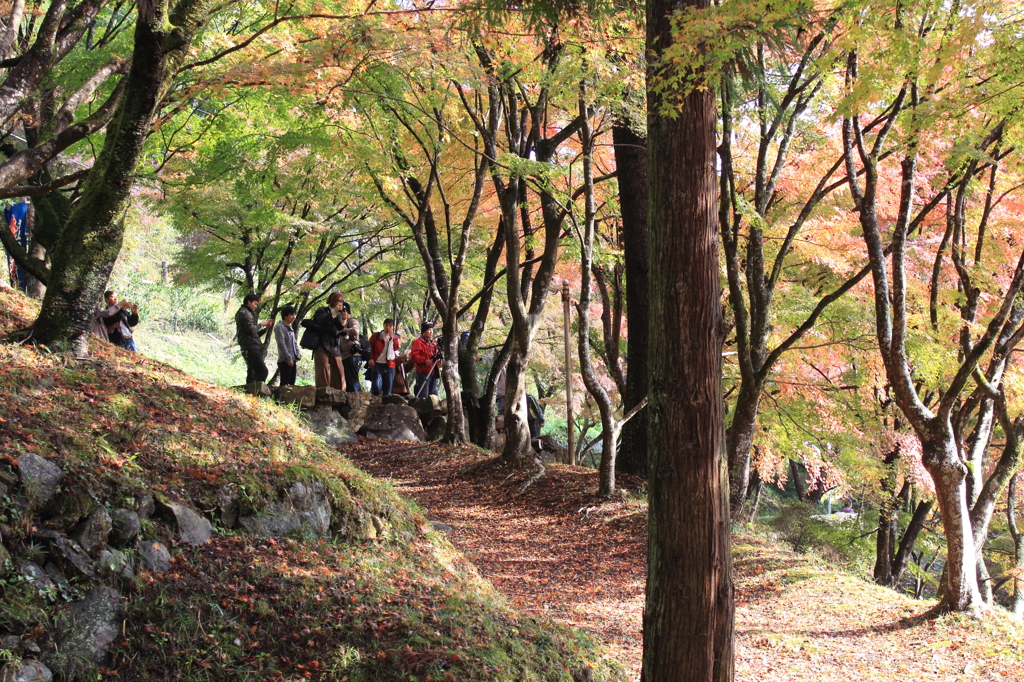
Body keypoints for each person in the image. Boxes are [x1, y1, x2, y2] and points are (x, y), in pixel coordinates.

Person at [235, 292, 273, 384]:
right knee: (262, 371)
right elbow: (252, 330)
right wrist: (261, 324)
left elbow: (252, 334)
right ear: (249, 302)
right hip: (250, 347)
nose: (256, 306)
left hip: (249, 346)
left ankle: (250, 394)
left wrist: (265, 329)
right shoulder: (245, 313)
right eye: (255, 304)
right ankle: (256, 393)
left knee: (252, 374)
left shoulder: (245, 312)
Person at [312, 292, 346, 391]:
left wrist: (343, 318)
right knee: (323, 368)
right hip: (321, 343)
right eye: (339, 300)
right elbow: (323, 320)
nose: (340, 303)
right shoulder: (321, 310)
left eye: (342, 301)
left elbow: (339, 327)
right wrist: (334, 311)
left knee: (338, 369)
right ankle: (323, 392)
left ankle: (340, 392)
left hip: (334, 345)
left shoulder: (338, 314)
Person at [367, 318, 401, 396]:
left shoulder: (396, 337)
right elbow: (369, 347)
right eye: (387, 325)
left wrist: (392, 337)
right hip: (377, 363)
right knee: (376, 387)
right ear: (383, 326)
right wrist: (370, 358)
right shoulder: (376, 335)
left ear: (393, 327)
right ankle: (375, 404)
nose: (388, 327)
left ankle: (386, 406)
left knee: (388, 389)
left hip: (390, 365)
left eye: (390, 325)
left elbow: (396, 348)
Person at [411, 321, 440, 398]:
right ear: (424, 331)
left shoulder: (433, 344)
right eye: (429, 330)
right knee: (424, 394)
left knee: (434, 394)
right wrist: (424, 361)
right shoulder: (418, 342)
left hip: (433, 371)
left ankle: (433, 409)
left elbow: (437, 357)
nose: (431, 332)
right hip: (422, 372)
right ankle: (421, 409)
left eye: (432, 330)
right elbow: (413, 356)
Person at [274, 305, 300, 386]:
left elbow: (294, 343)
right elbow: (281, 343)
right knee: (285, 384)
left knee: (291, 383)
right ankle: (281, 399)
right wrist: (288, 358)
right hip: (285, 360)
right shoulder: (280, 327)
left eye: (294, 314)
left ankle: (289, 399)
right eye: (291, 315)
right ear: (285, 316)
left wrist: (298, 354)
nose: (294, 317)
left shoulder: (290, 327)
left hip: (293, 359)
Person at [338, 302, 362, 392]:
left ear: (345, 311)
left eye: (341, 312)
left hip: (353, 356)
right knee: (349, 381)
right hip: (345, 356)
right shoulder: (342, 323)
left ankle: (358, 400)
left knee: (353, 381)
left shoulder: (352, 321)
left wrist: (343, 330)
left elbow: (355, 330)